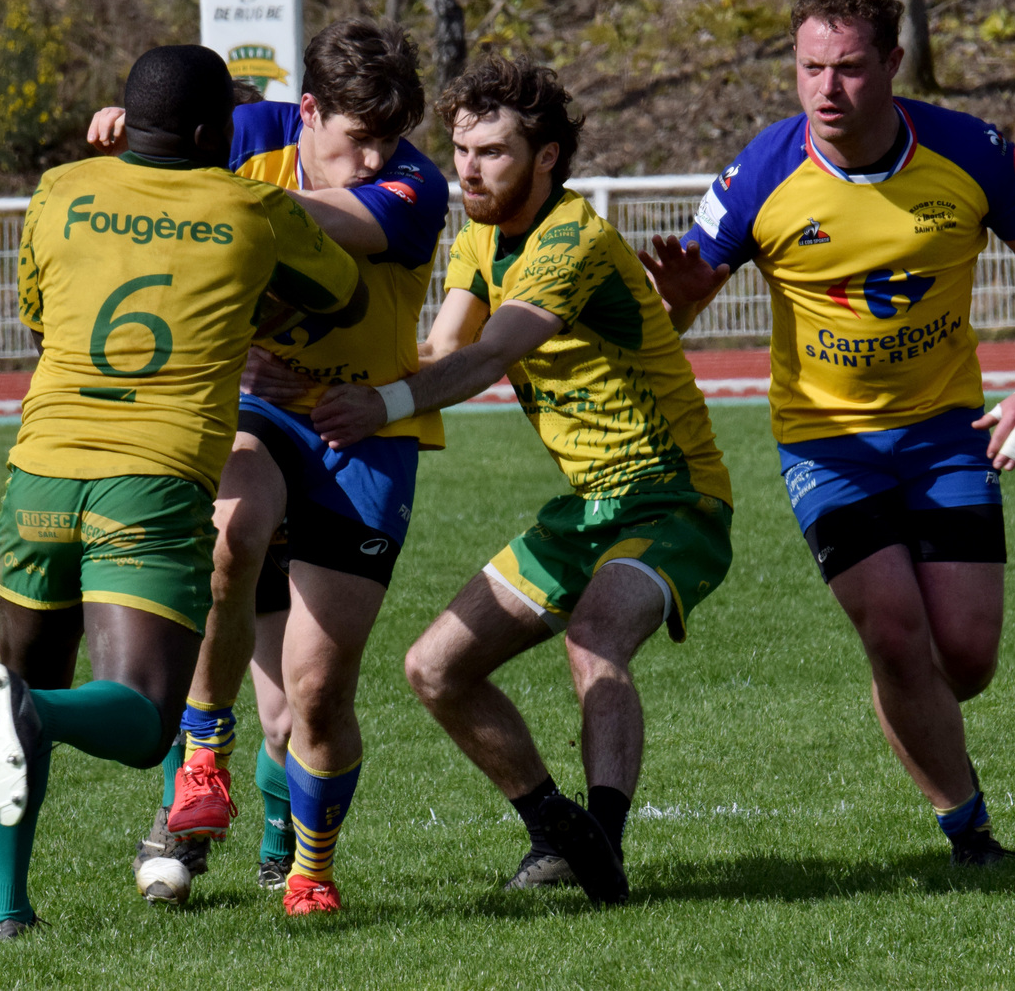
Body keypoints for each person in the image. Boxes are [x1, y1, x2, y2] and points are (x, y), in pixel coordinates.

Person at [641, 0, 1015, 865]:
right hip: (827, 444)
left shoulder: (968, 151)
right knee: (892, 631)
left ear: (892, 62)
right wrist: (681, 298)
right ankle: (970, 833)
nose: (827, 89)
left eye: (848, 68)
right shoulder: (762, 170)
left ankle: (911, 696)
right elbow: (671, 312)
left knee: (966, 657)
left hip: (947, 434)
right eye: (810, 68)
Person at [314, 56, 735, 904]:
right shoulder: (479, 233)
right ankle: (556, 830)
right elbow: (441, 348)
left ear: (545, 158)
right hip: (587, 507)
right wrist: (323, 367)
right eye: (462, 150)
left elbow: (486, 358)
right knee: (434, 667)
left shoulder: (571, 241)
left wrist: (379, 406)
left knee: (594, 635)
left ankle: (602, 847)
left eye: (494, 152)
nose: (469, 169)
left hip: (673, 496)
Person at [0, 44, 359, 942]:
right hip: (151, 479)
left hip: (38, 469)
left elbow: (40, 318)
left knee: (24, 701)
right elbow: (338, 295)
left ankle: (8, 910)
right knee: (146, 716)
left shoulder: (59, 190)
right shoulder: (252, 208)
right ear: (211, 131)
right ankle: (31, 709)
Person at [87, 18, 450, 913]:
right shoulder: (249, 135)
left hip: (363, 432)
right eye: (357, 137)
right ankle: (202, 757)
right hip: (260, 409)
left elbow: (303, 222)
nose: (375, 158)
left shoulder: (416, 184)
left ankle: (306, 870)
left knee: (313, 695)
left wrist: (171, 171)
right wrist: (141, 141)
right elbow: (159, 199)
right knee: (232, 528)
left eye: (390, 137)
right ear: (309, 110)